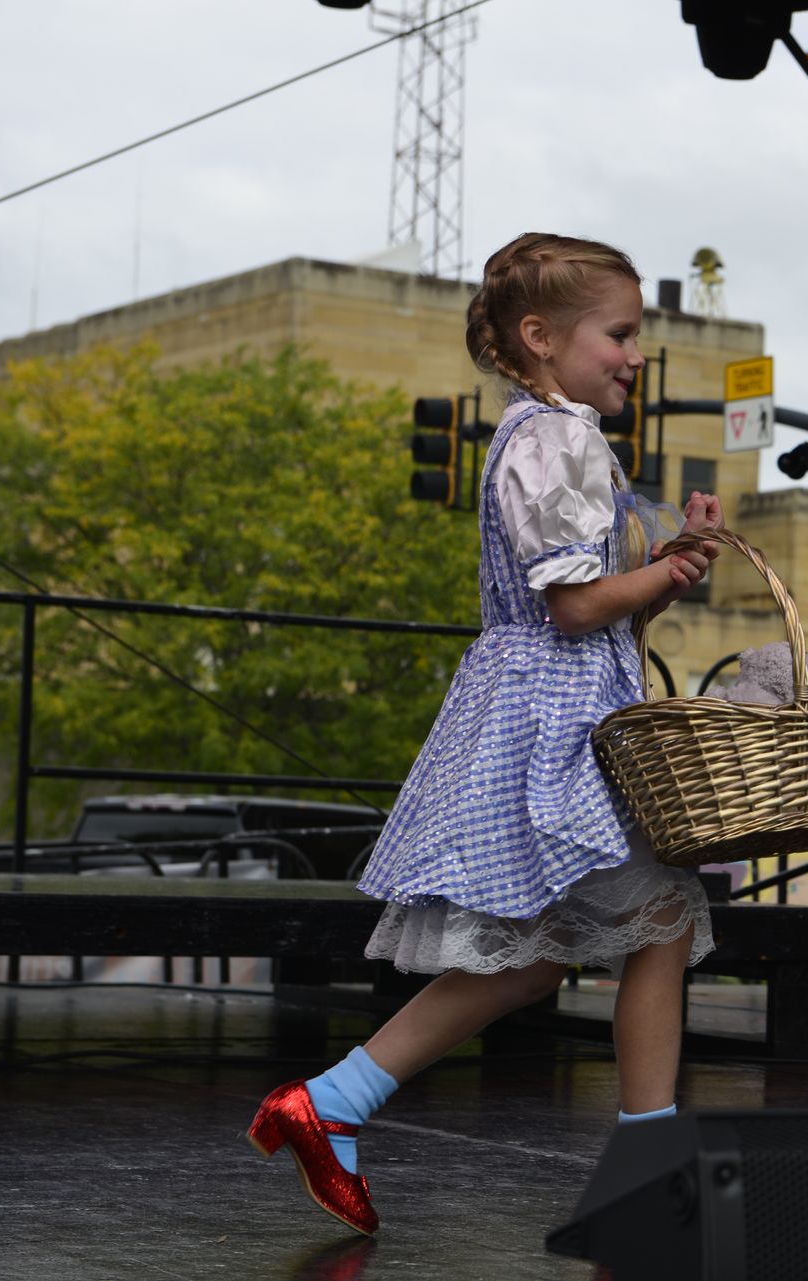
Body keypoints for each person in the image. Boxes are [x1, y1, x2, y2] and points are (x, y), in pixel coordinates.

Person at [246, 232, 723, 1236]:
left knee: (552, 950)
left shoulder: (546, 435)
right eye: (620, 334)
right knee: (655, 927)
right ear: (543, 337)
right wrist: (666, 571)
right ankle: (644, 1173)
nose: (635, 353)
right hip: (555, 721)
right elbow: (579, 608)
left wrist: (671, 565)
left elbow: (603, 609)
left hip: (546, 708)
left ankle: (334, 1102)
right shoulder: (558, 440)